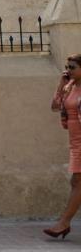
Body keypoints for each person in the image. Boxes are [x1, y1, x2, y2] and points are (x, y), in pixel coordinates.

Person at [46, 54, 81, 239]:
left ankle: (63, 223)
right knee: (76, 181)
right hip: (75, 141)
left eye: (73, 67)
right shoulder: (70, 87)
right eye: (67, 66)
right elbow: (54, 106)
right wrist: (61, 83)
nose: (69, 70)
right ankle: (64, 223)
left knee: (77, 182)